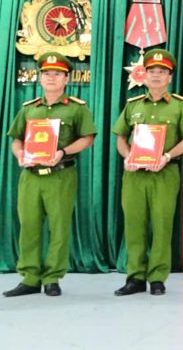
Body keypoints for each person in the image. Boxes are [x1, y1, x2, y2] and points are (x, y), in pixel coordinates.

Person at [3, 52, 96, 298]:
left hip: (60, 175)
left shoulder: (77, 109)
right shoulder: (29, 109)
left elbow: (87, 139)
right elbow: (16, 140)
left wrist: (63, 151)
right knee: (29, 226)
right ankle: (30, 278)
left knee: (59, 226)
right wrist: (19, 155)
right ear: (40, 78)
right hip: (31, 176)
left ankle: (52, 277)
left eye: (56, 74)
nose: (51, 77)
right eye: (46, 73)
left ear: (67, 78)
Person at [113, 48, 183, 296]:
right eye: (152, 71)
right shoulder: (133, 106)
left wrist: (167, 156)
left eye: (162, 72)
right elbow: (120, 137)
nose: (156, 76)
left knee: (162, 225)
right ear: (144, 74)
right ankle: (135, 277)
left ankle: (158, 277)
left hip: (165, 173)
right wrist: (127, 155)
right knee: (134, 225)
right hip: (135, 175)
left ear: (170, 77)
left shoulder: (180, 106)